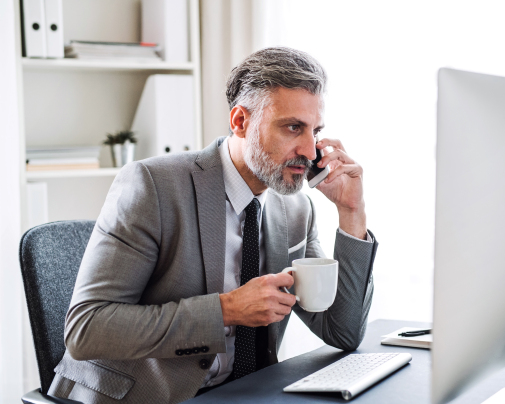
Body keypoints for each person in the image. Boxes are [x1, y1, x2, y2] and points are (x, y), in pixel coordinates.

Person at [48, 47, 377, 404]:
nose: (311, 151)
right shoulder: (153, 186)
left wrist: (352, 211)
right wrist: (226, 310)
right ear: (240, 122)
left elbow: (342, 331)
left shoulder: (296, 209)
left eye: (316, 131)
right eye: (293, 127)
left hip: (246, 393)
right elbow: (87, 330)